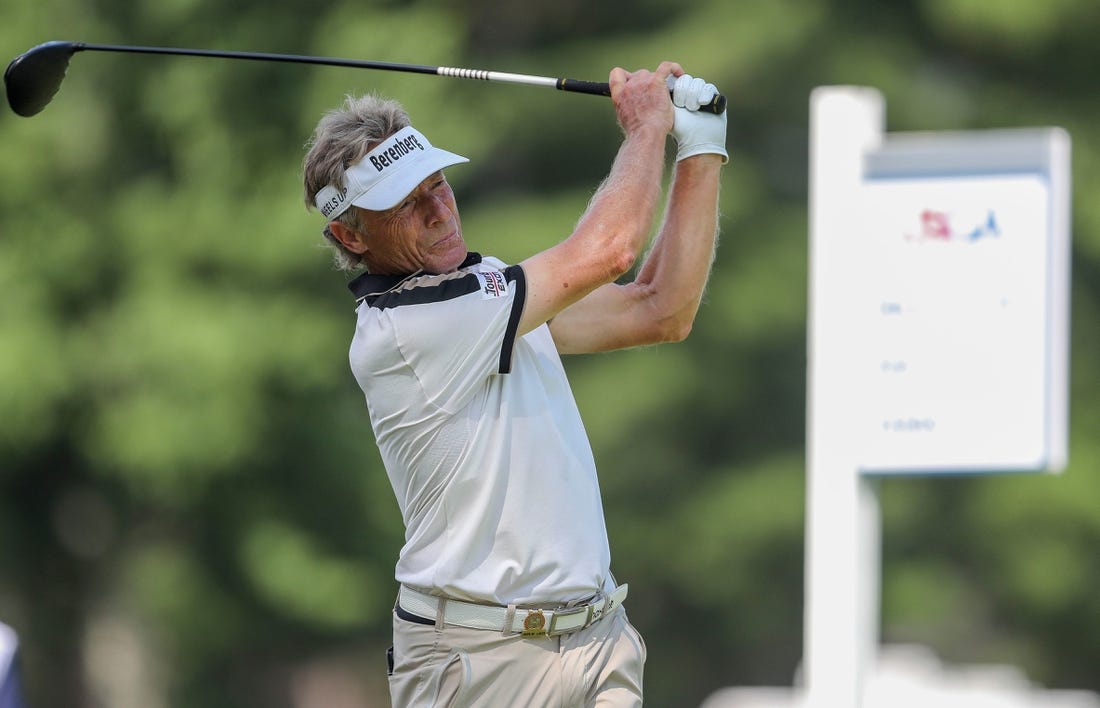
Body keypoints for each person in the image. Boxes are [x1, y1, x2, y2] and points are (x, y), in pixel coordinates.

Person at [302, 61, 726, 707]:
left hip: (597, 641)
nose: (437, 209)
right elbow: (610, 249)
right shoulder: (406, 328)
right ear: (349, 234)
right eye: (405, 202)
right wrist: (645, 129)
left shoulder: (488, 293)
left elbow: (660, 307)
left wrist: (699, 146)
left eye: (437, 184)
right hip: (480, 662)